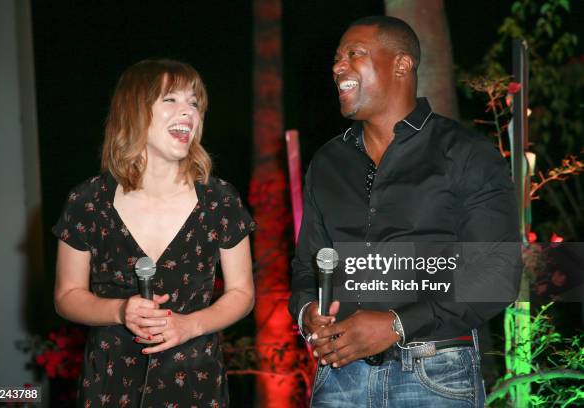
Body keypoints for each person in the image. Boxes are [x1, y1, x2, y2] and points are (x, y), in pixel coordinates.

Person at [289, 16, 521, 407]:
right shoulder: (327, 162)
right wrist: (306, 310)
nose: (338, 66)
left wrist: (398, 325)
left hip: (435, 373)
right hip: (339, 378)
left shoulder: (465, 153)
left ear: (402, 64)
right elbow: (307, 268)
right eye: (336, 58)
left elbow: (497, 274)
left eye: (354, 54)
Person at [53, 59, 255, 407]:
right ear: (133, 110)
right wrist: (119, 312)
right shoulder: (87, 200)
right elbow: (66, 296)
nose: (188, 111)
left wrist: (191, 325)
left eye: (194, 102)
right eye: (171, 99)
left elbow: (242, 293)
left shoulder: (220, 200)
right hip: (109, 385)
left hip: (195, 385)